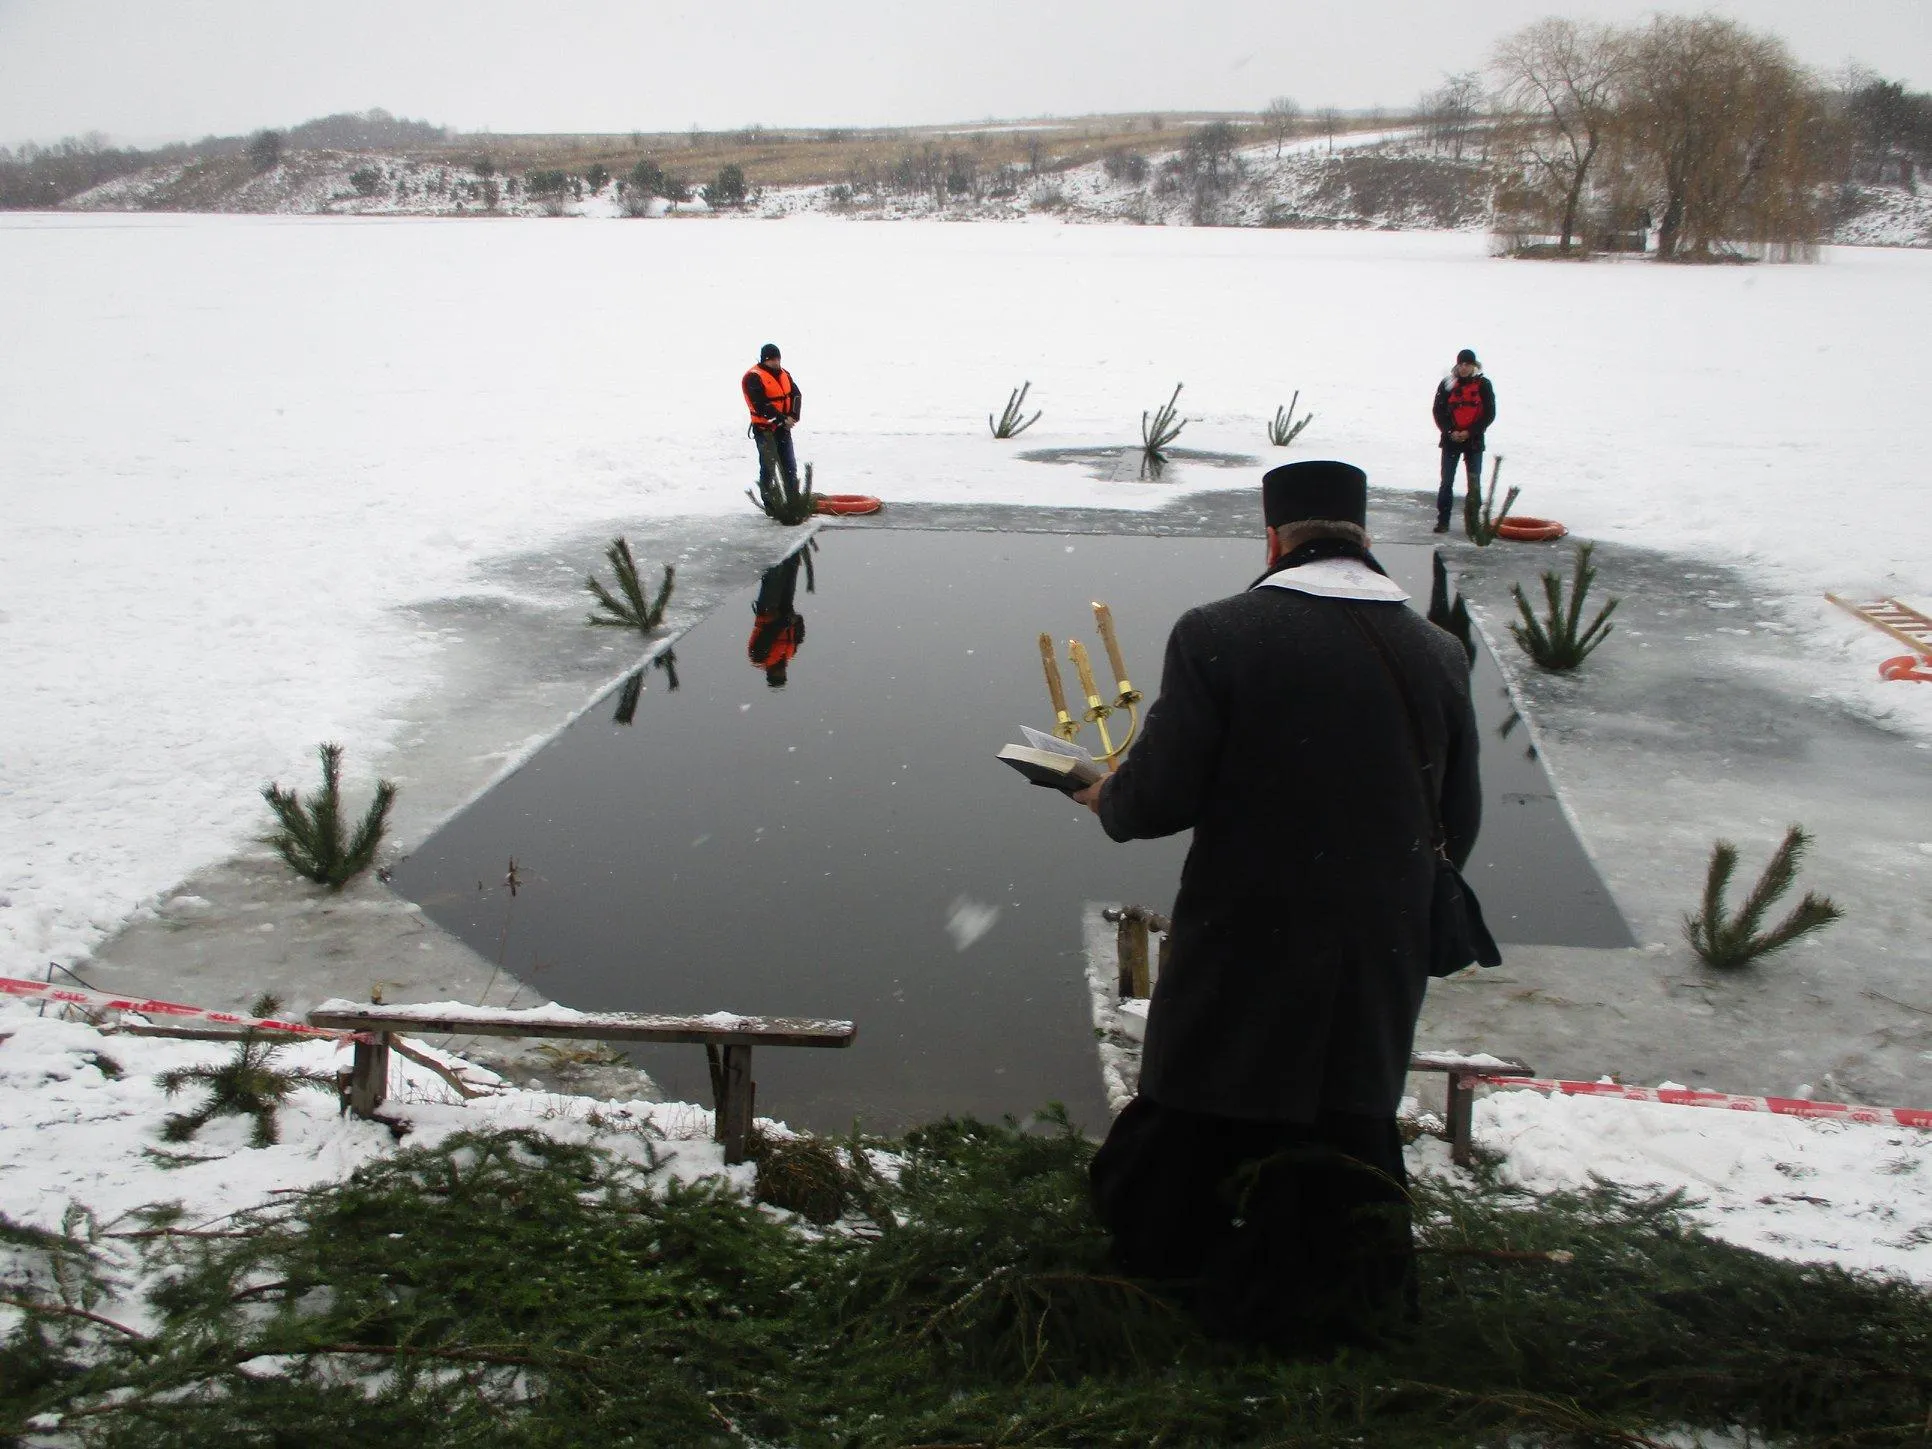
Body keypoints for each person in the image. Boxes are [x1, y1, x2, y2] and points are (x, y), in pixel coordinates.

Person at [1070, 459, 1483, 1348]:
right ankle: (1348, 1312)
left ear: (1273, 537)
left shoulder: (1222, 632)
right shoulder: (1439, 651)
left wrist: (1103, 795)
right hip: (1378, 950)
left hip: (1250, 938)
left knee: (1199, 1111)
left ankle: (1182, 1296)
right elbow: (1462, 821)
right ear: (1361, 537)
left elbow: (1158, 800)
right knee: (1347, 1125)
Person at [1432, 348, 1496, 533]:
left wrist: (1470, 432)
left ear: (1473, 365)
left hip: (1474, 440)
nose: (1464, 367)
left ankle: (1473, 523)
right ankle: (1443, 521)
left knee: (1473, 483)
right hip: (1451, 440)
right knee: (1446, 482)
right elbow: (1438, 411)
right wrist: (1450, 431)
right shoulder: (1447, 384)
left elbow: (1489, 414)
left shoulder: (1483, 385)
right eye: (1461, 364)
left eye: (1467, 364)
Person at [742, 343, 803, 503]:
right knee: (769, 467)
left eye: (778, 359)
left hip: (783, 429)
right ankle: (771, 504)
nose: (776, 363)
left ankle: (793, 502)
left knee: (789, 466)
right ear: (764, 360)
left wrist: (793, 416)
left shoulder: (785, 374)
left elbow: (796, 395)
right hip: (765, 430)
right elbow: (760, 404)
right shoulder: (754, 377)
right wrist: (783, 420)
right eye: (772, 360)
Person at [747, 549, 807, 687]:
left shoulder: (759, 658)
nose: (781, 672)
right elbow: (799, 637)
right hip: (786, 610)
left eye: (778, 675)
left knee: (775, 573)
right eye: (783, 675)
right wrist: (797, 621)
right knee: (790, 571)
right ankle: (793, 551)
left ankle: (775, 548)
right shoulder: (788, 656)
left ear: (770, 674)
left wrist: (785, 622)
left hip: (768, 609)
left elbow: (767, 634)